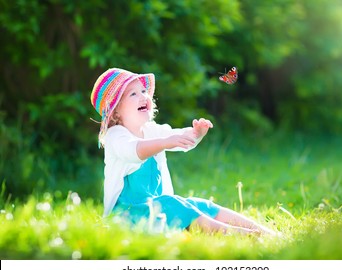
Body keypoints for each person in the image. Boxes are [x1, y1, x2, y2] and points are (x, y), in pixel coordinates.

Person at [90, 67, 278, 236]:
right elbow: (134, 150)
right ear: (115, 112)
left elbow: (178, 137)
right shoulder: (115, 136)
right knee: (172, 204)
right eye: (133, 94)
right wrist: (165, 142)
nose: (143, 96)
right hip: (126, 216)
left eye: (143, 91)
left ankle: (263, 231)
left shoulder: (151, 130)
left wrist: (196, 133)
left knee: (199, 204)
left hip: (155, 209)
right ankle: (241, 235)